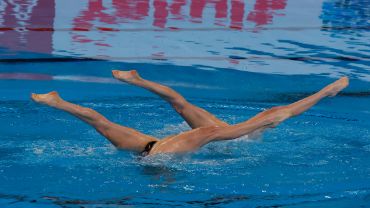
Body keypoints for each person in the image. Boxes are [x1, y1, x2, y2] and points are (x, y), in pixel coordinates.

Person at [31, 70, 349, 156]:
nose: (268, 111)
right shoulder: (239, 132)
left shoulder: (238, 134)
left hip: (151, 150)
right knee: (184, 108)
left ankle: (57, 102)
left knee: (101, 122)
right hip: (152, 151)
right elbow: (279, 114)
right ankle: (136, 80)